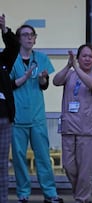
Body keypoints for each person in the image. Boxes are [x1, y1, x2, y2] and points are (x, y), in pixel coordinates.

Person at [9, 24, 63, 203]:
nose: (29, 38)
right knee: (19, 158)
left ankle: (50, 193)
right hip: (17, 116)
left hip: (37, 115)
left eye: (32, 35)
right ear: (18, 39)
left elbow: (44, 85)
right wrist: (25, 77)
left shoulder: (41, 58)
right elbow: (7, 85)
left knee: (43, 157)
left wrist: (42, 79)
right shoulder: (10, 59)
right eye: (25, 35)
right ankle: (23, 194)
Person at [53, 44, 92, 203]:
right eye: (84, 56)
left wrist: (77, 68)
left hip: (87, 129)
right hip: (69, 127)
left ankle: (82, 198)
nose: (87, 59)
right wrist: (69, 65)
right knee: (69, 166)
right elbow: (55, 81)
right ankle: (81, 194)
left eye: (91, 57)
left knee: (84, 170)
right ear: (78, 57)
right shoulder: (70, 74)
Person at [0, 14, 20, 203]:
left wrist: (4, 30)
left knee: (1, 165)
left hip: (3, 118)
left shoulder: (2, 60)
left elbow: (14, 47)